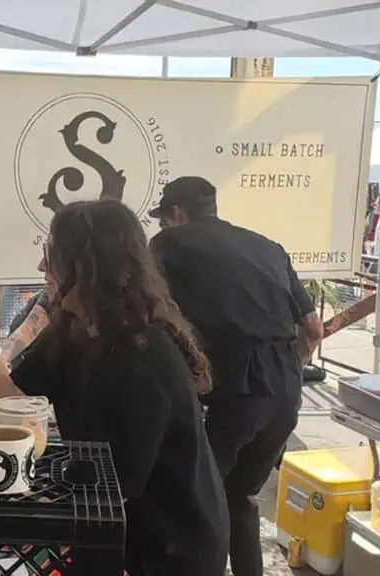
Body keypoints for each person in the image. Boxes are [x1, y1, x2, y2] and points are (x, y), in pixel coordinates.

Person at [0, 200, 229, 576]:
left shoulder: (142, 357)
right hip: (120, 530)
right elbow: (12, 397)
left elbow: (116, 488)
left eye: (51, 256)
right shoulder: (73, 330)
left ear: (87, 267)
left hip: (169, 548)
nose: (41, 268)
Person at [149, 176, 322, 576]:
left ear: (178, 213)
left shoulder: (169, 244)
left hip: (230, 391)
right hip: (285, 394)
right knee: (239, 496)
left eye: (164, 219)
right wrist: (287, 368)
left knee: (195, 501)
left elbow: (151, 311)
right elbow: (313, 330)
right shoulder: (268, 247)